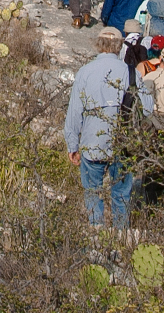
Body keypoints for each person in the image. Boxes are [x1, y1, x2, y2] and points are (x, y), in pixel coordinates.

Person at [65, 26, 151, 229]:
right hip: (123, 143)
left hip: (92, 141)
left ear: (98, 44)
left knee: (93, 192)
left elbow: (75, 111)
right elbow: (147, 108)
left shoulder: (85, 72)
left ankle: (97, 236)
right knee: (121, 194)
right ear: (119, 46)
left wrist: (72, 144)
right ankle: (122, 236)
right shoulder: (131, 72)